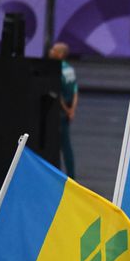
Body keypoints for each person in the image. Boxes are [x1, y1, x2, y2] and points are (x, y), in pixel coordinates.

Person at [50, 43, 77, 178]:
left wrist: (66, 110)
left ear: (60, 54)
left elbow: (57, 93)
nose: (50, 51)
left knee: (59, 145)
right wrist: (72, 110)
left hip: (60, 112)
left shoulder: (57, 70)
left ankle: (59, 174)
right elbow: (75, 91)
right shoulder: (70, 70)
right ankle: (71, 173)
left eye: (53, 50)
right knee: (66, 146)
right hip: (67, 111)